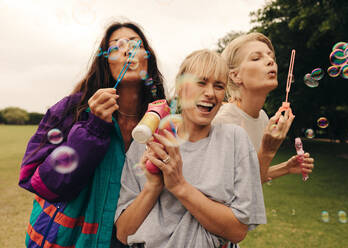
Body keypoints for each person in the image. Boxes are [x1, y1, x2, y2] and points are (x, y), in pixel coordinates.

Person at [18, 21, 165, 248]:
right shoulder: (71, 110)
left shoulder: (160, 120)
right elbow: (37, 181)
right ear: (105, 62)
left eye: (137, 44)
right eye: (117, 46)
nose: (128, 50)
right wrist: (93, 129)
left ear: (148, 58)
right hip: (68, 240)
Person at [114, 49, 266, 248]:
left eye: (219, 86)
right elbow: (124, 233)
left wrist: (179, 186)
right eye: (201, 83)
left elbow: (237, 231)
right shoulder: (149, 142)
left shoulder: (235, 140)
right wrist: (153, 187)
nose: (210, 93)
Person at [213, 33, 314, 183]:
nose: (270, 61)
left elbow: (252, 174)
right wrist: (268, 151)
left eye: (271, 57)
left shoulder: (262, 117)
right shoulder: (223, 123)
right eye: (256, 58)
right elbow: (236, 187)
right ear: (235, 76)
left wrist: (285, 168)